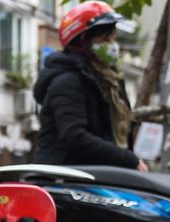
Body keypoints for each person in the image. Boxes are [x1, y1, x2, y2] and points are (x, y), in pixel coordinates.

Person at [34, 1, 148, 171]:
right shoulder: (67, 82)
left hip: (103, 175)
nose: (112, 46)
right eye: (105, 40)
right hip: (67, 179)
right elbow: (75, 137)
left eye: (113, 39)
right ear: (83, 42)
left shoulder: (111, 82)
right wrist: (129, 159)